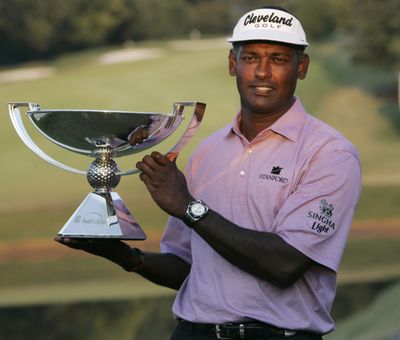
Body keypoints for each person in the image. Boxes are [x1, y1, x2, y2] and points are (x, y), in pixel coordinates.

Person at [56, 5, 361, 340]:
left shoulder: (329, 153)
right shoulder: (208, 151)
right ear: (233, 64)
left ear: (300, 67)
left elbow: (284, 265)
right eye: (250, 58)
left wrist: (188, 207)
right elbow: (187, 268)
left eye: (277, 59)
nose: (261, 72)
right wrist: (125, 256)